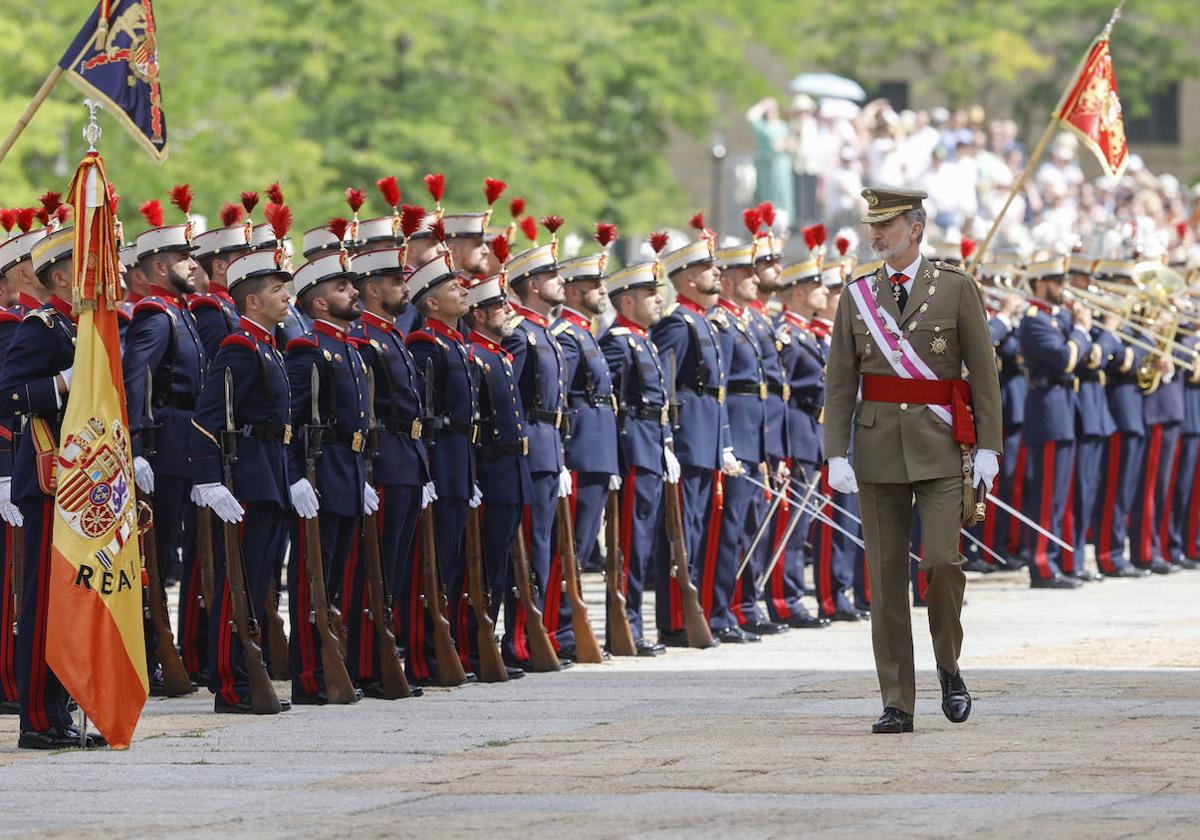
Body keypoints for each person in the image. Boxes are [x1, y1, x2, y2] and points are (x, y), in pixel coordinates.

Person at [823, 187, 1002, 734]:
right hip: (877, 450)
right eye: (872, 226)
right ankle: (898, 699)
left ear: (916, 228)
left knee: (941, 564)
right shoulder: (856, 295)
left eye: (887, 225)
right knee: (885, 578)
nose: (875, 235)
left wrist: (989, 446)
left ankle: (949, 666)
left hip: (942, 448)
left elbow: (983, 375)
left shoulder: (955, 288)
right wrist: (835, 452)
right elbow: (839, 382)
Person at [0, 226, 106, 748]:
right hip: (49, 481)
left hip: (87, 480)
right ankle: (39, 719)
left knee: (77, 597)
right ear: (61, 276)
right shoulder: (43, 328)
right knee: (44, 602)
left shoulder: (87, 327)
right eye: (89, 264)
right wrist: (62, 382)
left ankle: (65, 707)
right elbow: (6, 396)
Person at [189, 219, 295, 714]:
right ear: (251, 301)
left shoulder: (268, 347)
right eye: (277, 291)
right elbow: (209, 417)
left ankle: (244, 677)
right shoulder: (239, 347)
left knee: (260, 581)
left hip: (269, 472)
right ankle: (233, 684)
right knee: (241, 584)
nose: (286, 298)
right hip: (246, 477)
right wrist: (209, 478)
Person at [346, 247, 438, 694]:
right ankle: (367, 663)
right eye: (397, 282)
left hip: (406, 459)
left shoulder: (392, 335)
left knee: (395, 568)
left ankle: (387, 655)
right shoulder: (367, 337)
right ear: (373, 289)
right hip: (383, 460)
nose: (406, 289)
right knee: (374, 568)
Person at [123, 206, 209, 686]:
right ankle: (150, 657)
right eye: (183, 258)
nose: (194, 266)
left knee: (166, 555)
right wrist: (134, 446)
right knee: (151, 559)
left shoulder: (179, 312)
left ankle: (161, 653)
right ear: (159, 268)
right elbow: (136, 379)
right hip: (160, 449)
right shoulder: (155, 315)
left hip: (182, 447)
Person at [283, 249, 370, 705]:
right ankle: (309, 675)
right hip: (321, 473)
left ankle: (337, 664)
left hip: (349, 472)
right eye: (342, 288)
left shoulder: (349, 350)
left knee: (337, 579)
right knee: (311, 580)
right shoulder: (308, 350)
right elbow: (292, 422)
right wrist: (296, 476)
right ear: (319, 303)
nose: (354, 292)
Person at [651, 230, 733, 648]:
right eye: (706, 268)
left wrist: (724, 442)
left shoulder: (702, 321)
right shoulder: (678, 324)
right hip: (687, 442)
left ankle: (691, 613)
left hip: (706, 442)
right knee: (680, 536)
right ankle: (675, 620)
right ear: (685, 279)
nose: (716, 273)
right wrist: (668, 441)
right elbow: (665, 387)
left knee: (697, 533)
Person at [501, 243, 573, 665]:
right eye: (552, 276)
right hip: (532, 450)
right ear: (532, 284)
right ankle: (520, 642)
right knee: (529, 550)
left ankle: (538, 635)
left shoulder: (542, 330)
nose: (560, 282)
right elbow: (511, 400)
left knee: (545, 549)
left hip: (549, 448)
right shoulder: (522, 334)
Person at [600, 261, 676, 655]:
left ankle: (634, 624)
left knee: (643, 543)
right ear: (626, 300)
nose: (658, 298)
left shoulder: (643, 339)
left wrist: (664, 441)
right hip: (632, 452)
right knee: (629, 542)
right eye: (649, 293)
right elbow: (611, 403)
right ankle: (625, 627)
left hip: (649, 448)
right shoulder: (618, 342)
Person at [551, 251, 620, 658]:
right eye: (595, 286)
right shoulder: (567, 334)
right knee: (570, 547)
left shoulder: (585, 332)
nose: (602, 291)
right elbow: (559, 397)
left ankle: (568, 629)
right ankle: (562, 631)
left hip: (597, 451)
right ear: (575, 292)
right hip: (580, 450)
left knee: (580, 545)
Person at [464, 271, 530, 678]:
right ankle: (476, 646)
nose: (508, 313)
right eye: (499, 307)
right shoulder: (476, 356)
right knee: (483, 563)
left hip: (510, 470)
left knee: (500, 563)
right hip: (489, 470)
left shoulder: (499, 355)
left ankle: (491, 644)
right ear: (478, 314)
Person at [1018, 257, 1091, 589]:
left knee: (1062, 495)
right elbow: (1066, 359)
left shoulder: (1055, 319)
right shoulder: (1034, 321)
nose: (1064, 287)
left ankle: (1062, 560)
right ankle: (1042, 566)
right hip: (1048, 411)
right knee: (1047, 495)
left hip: (1063, 409)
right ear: (1039, 284)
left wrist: (1077, 332)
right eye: (1057, 281)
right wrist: (1081, 330)